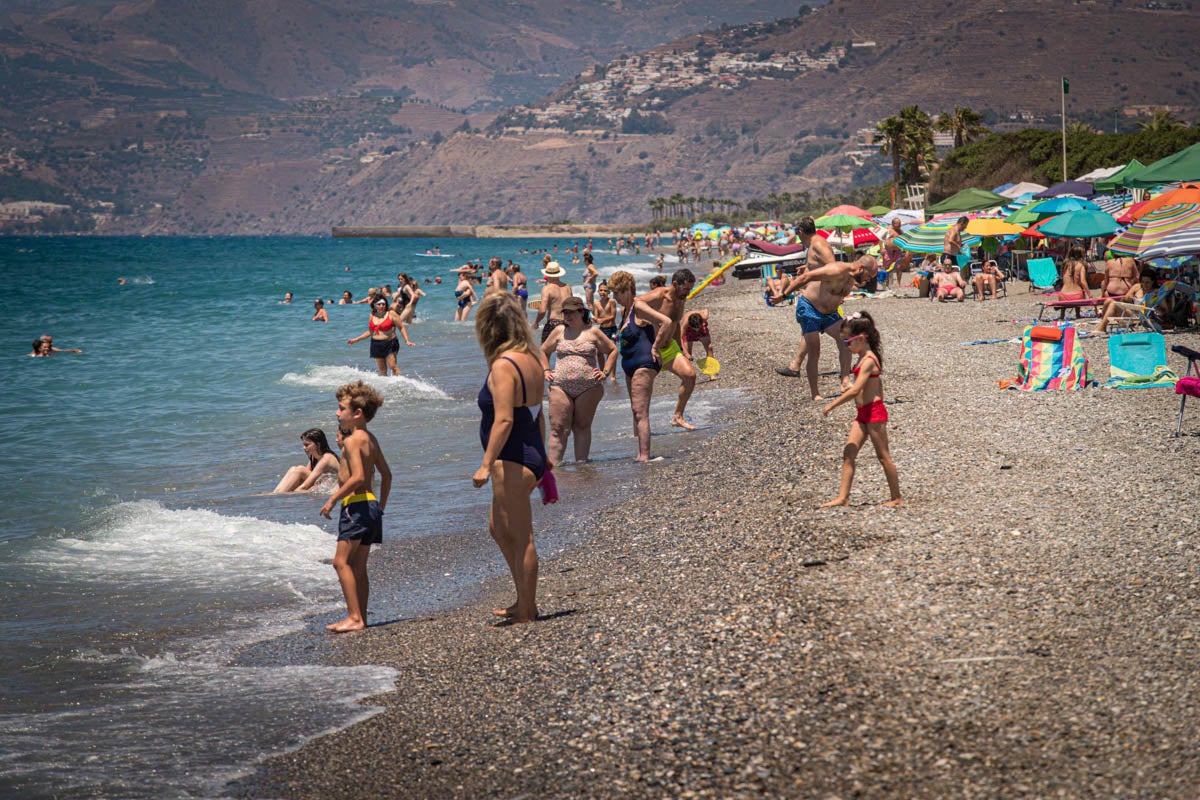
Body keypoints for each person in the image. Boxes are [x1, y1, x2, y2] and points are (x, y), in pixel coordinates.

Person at [472, 293, 549, 625]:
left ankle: (527, 611)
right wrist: (544, 455)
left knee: (521, 536)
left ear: (488, 328)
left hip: (512, 457)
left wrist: (485, 464)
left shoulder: (504, 365)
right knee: (498, 529)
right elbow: (537, 411)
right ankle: (523, 599)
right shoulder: (532, 356)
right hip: (529, 450)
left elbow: (504, 420)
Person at [319, 382, 391, 633]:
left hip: (355, 507)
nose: (337, 413)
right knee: (358, 566)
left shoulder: (352, 441)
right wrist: (379, 507)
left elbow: (359, 476)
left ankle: (354, 617)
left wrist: (333, 499)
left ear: (357, 413)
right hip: (370, 506)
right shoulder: (371, 439)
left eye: (341, 409)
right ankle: (361, 618)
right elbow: (387, 475)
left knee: (340, 562)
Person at [820, 311, 903, 508]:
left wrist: (832, 404)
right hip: (862, 413)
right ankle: (843, 497)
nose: (846, 346)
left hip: (874, 413)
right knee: (849, 452)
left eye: (848, 341)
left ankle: (896, 497)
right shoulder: (861, 357)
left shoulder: (869, 360)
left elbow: (857, 389)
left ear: (862, 338)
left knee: (883, 456)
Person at [770, 217, 855, 401]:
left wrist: (783, 295)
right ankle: (815, 393)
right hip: (810, 306)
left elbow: (833, 269)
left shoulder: (819, 245)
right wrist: (808, 268)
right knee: (815, 351)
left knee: (845, 341)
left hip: (827, 309)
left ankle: (845, 381)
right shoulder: (813, 246)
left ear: (801, 232)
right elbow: (821, 268)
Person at [540, 295, 617, 464]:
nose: (568, 316)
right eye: (565, 312)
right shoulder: (559, 331)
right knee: (558, 427)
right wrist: (546, 370)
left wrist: (605, 372)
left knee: (581, 426)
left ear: (582, 312)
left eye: (572, 312)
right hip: (560, 386)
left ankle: (582, 468)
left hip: (588, 388)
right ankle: (554, 468)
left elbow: (612, 350)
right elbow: (543, 351)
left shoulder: (593, 332)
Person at [609, 270, 673, 462]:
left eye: (617, 293)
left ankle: (644, 455)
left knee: (640, 411)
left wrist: (656, 346)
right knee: (635, 410)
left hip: (643, 363)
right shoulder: (626, 311)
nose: (615, 297)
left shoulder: (638, 306)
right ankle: (641, 453)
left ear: (628, 289)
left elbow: (666, 321)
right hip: (630, 364)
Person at [640, 268, 699, 430]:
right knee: (643, 390)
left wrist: (682, 348)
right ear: (675, 284)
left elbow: (676, 323)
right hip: (650, 349)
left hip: (670, 348)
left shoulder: (681, 298)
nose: (688, 293)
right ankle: (639, 428)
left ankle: (677, 416)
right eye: (685, 289)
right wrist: (648, 321)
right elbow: (636, 304)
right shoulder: (659, 295)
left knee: (690, 376)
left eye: (690, 289)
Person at [347, 297, 406, 376]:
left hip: (390, 342)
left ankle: (402, 382)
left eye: (383, 304)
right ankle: (386, 384)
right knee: (382, 370)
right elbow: (370, 331)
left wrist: (407, 340)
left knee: (393, 366)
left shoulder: (391, 313)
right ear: (375, 305)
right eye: (379, 304)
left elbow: (401, 327)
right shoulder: (372, 315)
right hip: (376, 344)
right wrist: (356, 339)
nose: (381, 306)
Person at [273, 428, 340, 493]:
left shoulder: (326, 458)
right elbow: (302, 479)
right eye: (304, 445)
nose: (304, 448)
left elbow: (304, 486)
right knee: (293, 469)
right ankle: (276, 493)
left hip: (330, 486)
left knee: (300, 470)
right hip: (321, 485)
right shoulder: (314, 457)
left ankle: (278, 495)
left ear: (318, 445)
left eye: (307, 445)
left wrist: (296, 491)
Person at [534, 260, 572, 342]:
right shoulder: (567, 287)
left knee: (545, 349)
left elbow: (542, 311)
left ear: (547, 274)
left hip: (554, 323)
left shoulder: (546, 288)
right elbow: (573, 306)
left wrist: (536, 322)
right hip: (567, 323)